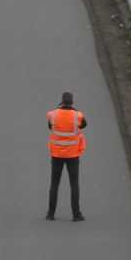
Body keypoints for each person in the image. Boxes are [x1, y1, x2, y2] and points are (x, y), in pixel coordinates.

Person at [46, 91, 88, 222]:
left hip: (57, 154)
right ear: (72, 102)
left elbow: (50, 126)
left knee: (54, 183)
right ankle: (76, 214)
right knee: (74, 185)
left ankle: (51, 213)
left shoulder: (52, 115)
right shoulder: (78, 116)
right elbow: (83, 125)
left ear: (61, 101)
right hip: (73, 154)